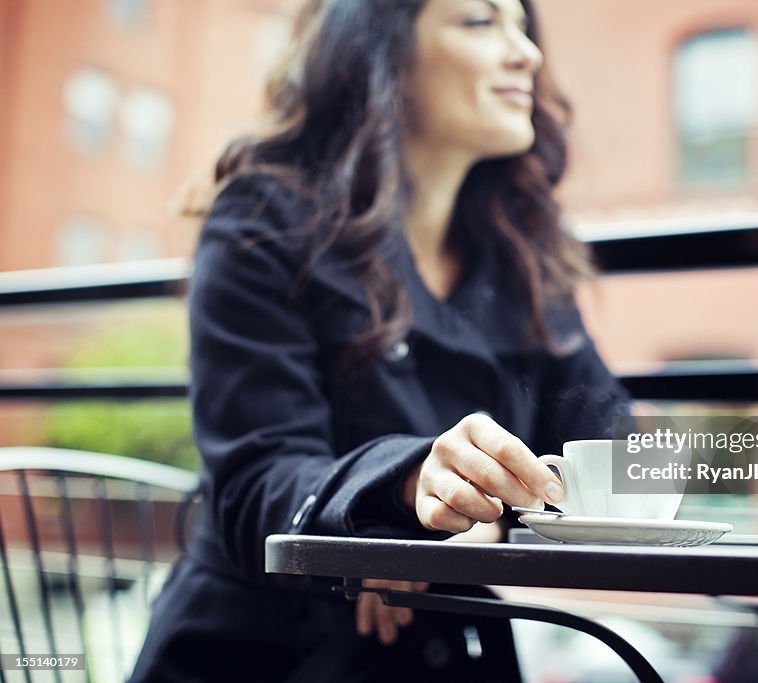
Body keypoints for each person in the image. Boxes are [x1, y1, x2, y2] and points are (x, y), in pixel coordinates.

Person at [130, 0, 630, 680]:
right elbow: (257, 481)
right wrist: (391, 506)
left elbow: (608, 451)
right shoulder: (263, 218)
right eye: (481, 22)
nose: (528, 54)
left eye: (523, 26)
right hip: (261, 652)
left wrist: (464, 524)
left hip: (445, 653)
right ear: (382, 50)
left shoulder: (522, 254)